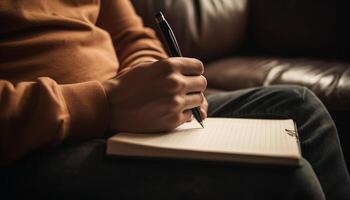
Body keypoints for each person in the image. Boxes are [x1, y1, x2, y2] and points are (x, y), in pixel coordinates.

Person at [0, 0, 349, 199]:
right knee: (286, 177)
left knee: (301, 108)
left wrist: (150, 83)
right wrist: (104, 103)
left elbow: (132, 35)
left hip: (121, 110)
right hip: (36, 143)